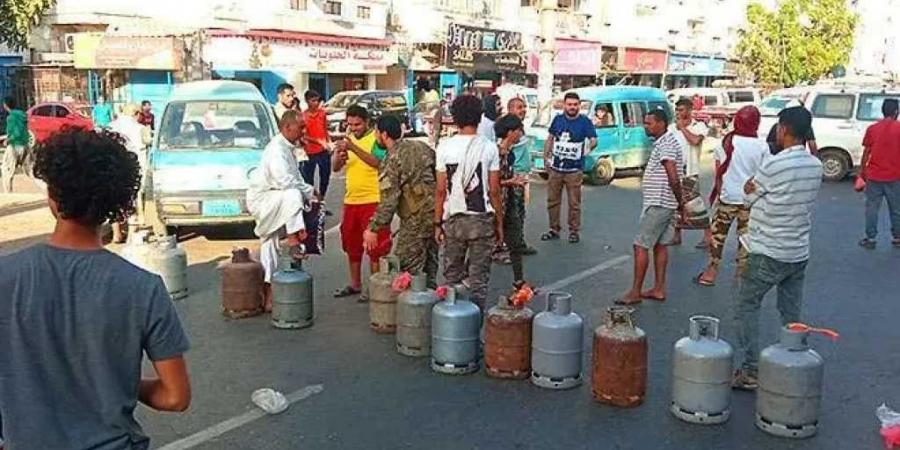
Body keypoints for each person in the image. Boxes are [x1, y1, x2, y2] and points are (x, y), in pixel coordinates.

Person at [0, 129, 191, 449]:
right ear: (115, 206)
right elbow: (175, 397)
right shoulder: (144, 289)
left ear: (52, 197)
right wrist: (123, 383)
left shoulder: (6, 276)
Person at [732, 107, 823, 390]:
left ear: (783, 129)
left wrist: (753, 191)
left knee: (747, 304)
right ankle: (795, 361)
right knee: (790, 311)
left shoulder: (774, 165)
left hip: (767, 249)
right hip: (798, 250)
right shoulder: (816, 166)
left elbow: (748, 198)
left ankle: (750, 370)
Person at [434, 95, 503, 310]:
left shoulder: (444, 147)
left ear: (454, 118)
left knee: (451, 278)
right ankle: (474, 332)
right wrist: (499, 223)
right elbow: (494, 191)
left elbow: (440, 191)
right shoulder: (490, 148)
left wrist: (437, 223)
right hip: (482, 221)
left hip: (454, 221)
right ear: (480, 117)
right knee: (478, 281)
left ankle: (450, 331)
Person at [246, 110, 317, 311]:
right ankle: (294, 238)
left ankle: (268, 295)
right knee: (294, 194)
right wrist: (310, 191)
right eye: (300, 127)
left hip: (275, 199)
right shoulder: (277, 149)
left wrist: (310, 192)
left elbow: (295, 177)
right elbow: (285, 182)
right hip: (265, 200)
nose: (303, 131)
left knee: (269, 242)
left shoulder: (289, 148)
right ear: (287, 128)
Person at [695, 106, 768, 286]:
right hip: (750, 200)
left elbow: (718, 172)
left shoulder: (727, 142)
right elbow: (764, 174)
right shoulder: (762, 146)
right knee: (745, 238)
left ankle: (711, 271)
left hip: (728, 198)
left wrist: (720, 194)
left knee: (717, 237)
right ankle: (741, 274)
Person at [617, 109, 684, 305]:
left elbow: (672, 174)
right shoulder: (665, 143)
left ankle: (635, 291)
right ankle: (658, 288)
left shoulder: (667, 145)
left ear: (661, 124)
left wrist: (681, 202)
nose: (646, 127)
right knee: (660, 245)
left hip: (660, 202)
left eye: (649, 123)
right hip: (664, 201)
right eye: (645, 123)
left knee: (641, 245)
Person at [365, 115, 439, 287]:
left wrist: (373, 228)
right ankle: (432, 307)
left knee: (407, 271)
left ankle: (414, 312)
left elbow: (389, 201)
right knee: (430, 268)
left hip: (415, 221)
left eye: (376, 133)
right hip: (435, 216)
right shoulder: (422, 147)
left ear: (383, 134)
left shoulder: (391, 160)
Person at [332, 105, 391, 299]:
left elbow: (379, 162)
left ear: (366, 122)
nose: (354, 128)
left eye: (357, 124)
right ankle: (355, 284)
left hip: (373, 199)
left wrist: (353, 148)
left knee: (376, 247)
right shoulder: (346, 141)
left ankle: (375, 286)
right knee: (352, 244)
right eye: (350, 124)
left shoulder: (375, 139)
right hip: (351, 200)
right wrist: (340, 156)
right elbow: (335, 168)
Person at [541, 92, 597, 244]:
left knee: (574, 203)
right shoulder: (558, 120)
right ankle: (554, 229)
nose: (572, 107)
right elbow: (550, 138)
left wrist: (588, 147)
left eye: (575, 105)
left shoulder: (585, 122)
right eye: (569, 104)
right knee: (552, 200)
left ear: (579, 106)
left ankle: (574, 231)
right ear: (564, 105)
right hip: (556, 168)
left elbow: (593, 139)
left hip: (574, 170)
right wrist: (545, 157)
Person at [857, 98, 900, 249]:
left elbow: (866, 153)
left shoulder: (872, 129)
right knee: (896, 209)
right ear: (896, 112)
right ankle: (897, 237)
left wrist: (862, 173)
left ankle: (870, 238)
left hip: (874, 175)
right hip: (895, 176)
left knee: (872, 208)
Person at [495, 114, 532, 288]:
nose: (520, 135)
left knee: (515, 244)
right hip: (496, 206)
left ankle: (519, 281)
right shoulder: (496, 154)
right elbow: (492, 183)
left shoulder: (509, 154)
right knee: (485, 246)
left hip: (508, 203)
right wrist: (511, 182)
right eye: (518, 131)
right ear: (510, 132)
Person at [669, 98, 710, 247]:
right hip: (675, 170)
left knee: (694, 204)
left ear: (689, 110)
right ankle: (677, 235)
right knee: (676, 204)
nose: (678, 113)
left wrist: (683, 128)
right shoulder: (672, 128)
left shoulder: (698, 126)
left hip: (690, 171)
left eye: (681, 110)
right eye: (677, 110)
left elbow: (695, 141)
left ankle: (707, 234)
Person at [108, 103, 153, 242]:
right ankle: (131, 235)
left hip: (111, 167)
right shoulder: (140, 128)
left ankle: (116, 234)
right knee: (132, 201)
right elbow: (150, 142)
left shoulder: (111, 126)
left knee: (112, 201)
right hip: (133, 169)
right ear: (136, 114)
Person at [505, 97, 537, 256]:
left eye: (524, 107)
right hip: (514, 176)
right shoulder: (508, 128)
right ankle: (512, 245)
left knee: (520, 210)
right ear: (510, 109)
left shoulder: (521, 128)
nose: (523, 110)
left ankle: (518, 243)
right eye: (519, 107)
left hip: (524, 175)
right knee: (514, 213)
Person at [301, 90, 332, 215]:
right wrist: (318, 141)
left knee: (325, 177)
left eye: (317, 100)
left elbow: (325, 130)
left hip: (323, 150)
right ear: (307, 101)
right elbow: (304, 136)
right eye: (313, 100)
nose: (316, 103)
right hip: (310, 151)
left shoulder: (322, 114)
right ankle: (312, 203)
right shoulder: (303, 116)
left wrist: (328, 143)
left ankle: (321, 202)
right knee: (309, 179)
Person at [2, 96, 30, 193]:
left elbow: (15, 133)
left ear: (6, 105)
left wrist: (8, 140)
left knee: (6, 171)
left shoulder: (11, 118)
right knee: (30, 172)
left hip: (14, 146)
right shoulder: (22, 115)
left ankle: (9, 194)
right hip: (25, 145)